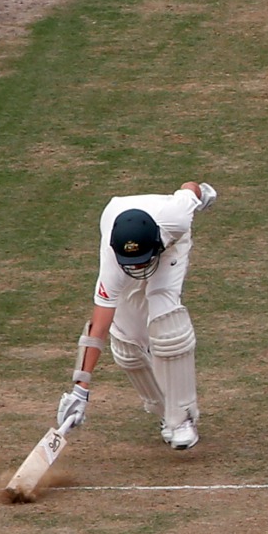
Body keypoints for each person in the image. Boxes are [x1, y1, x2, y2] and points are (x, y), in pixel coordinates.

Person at [56, 181, 218, 450]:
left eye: (142, 260)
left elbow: (190, 188)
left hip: (170, 249)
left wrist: (201, 194)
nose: (139, 268)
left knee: (166, 321)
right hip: (127, 236)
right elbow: (98, 327)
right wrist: (80, 389)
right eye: (133, 263)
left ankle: (182, 419)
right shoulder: (114, 262)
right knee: (127, 345)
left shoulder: (175, 218)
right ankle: (165, 414)